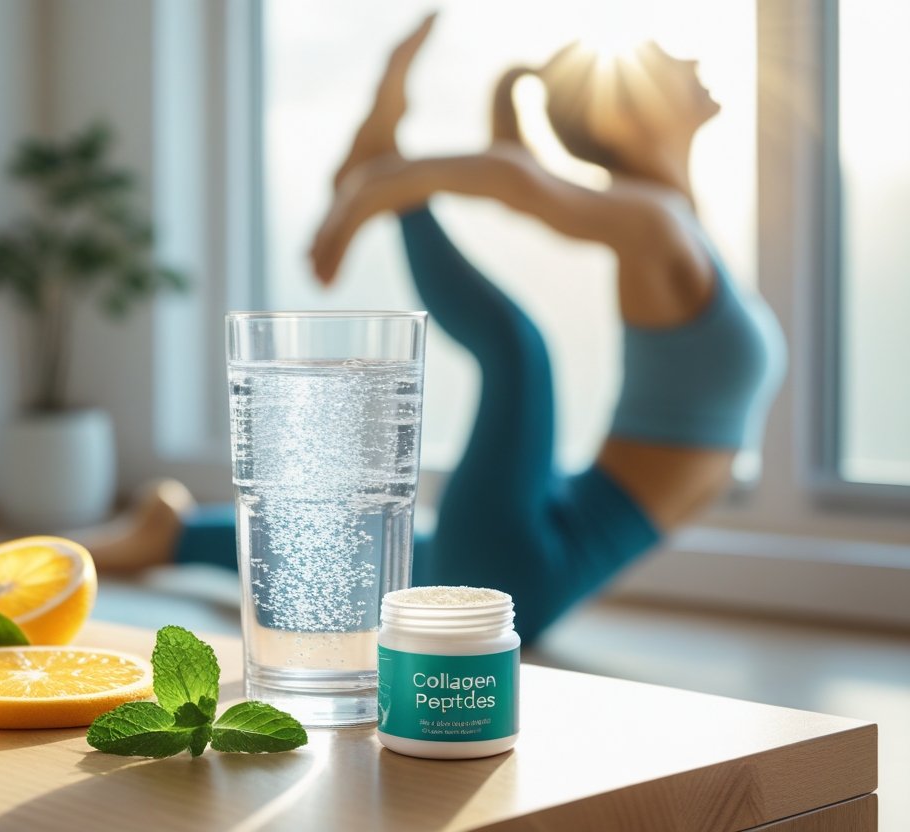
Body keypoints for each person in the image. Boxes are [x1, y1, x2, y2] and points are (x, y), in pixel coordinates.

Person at [83, 14, 785, 642]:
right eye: (664, 59)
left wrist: (401, 180)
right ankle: (390, 183)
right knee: (519, 350)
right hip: (530, 561)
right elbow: (520, 184)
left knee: (380, 559)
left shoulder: (668, 215)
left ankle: (175, 535)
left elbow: (523, 182)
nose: (690, 60)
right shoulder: (656, 222)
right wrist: (380, 190)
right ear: (625, 113)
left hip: (544, 541)